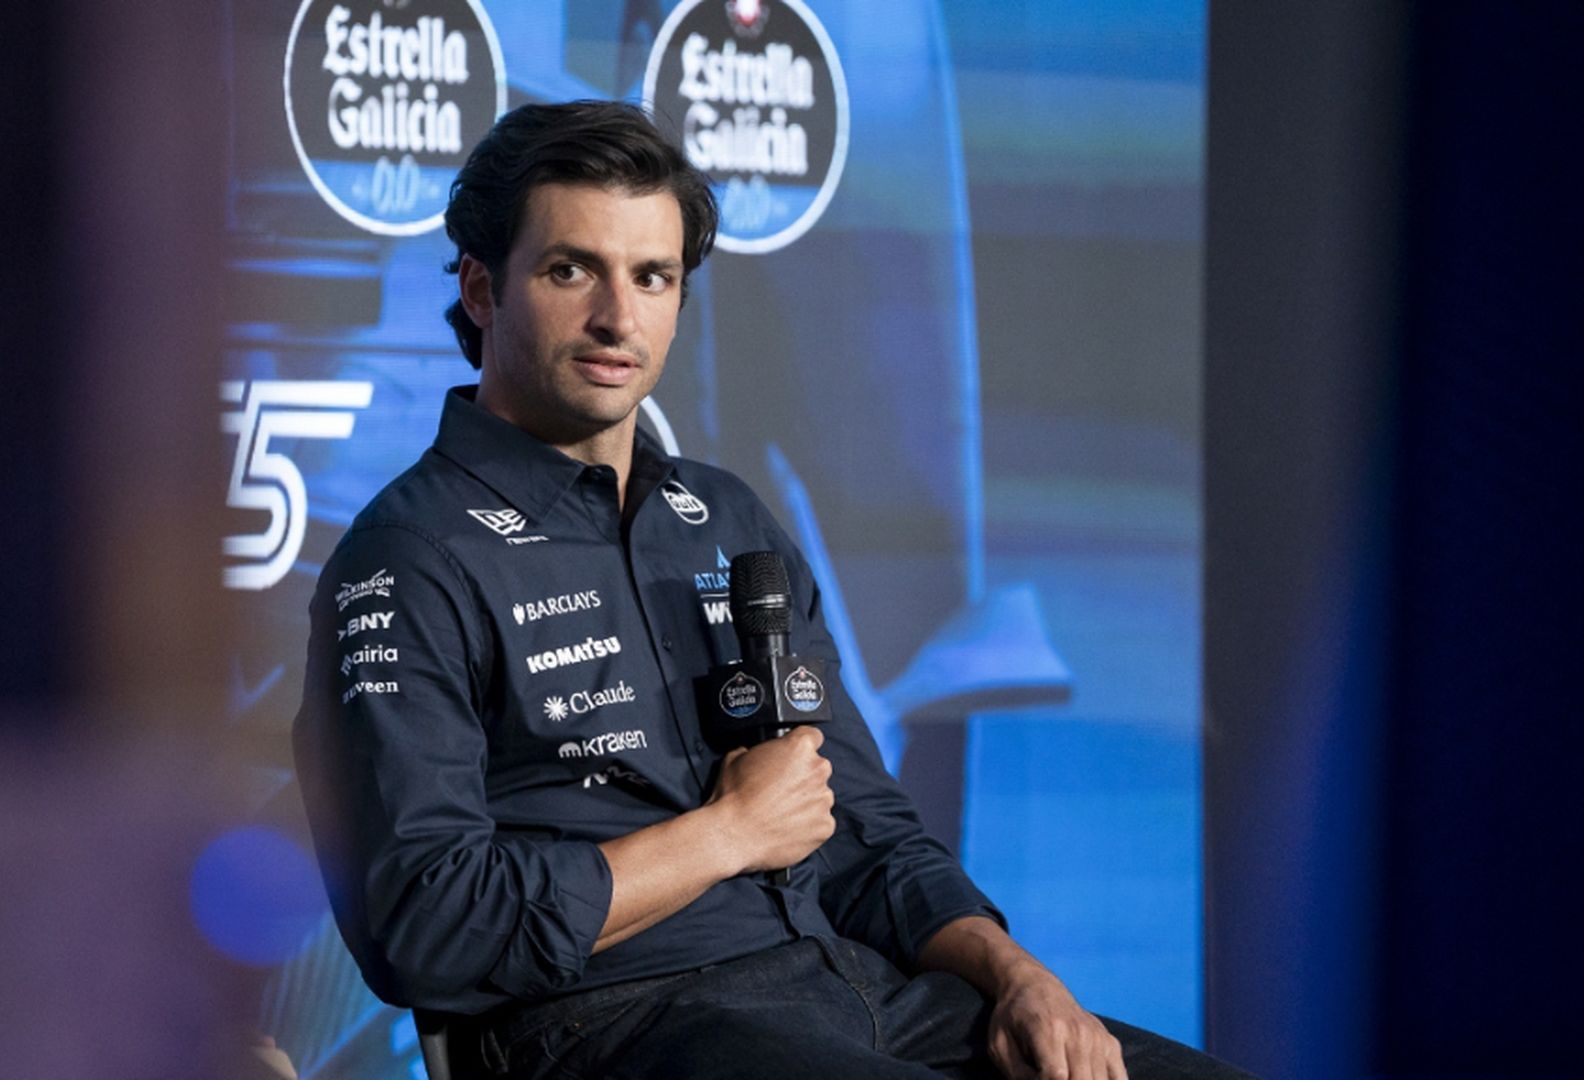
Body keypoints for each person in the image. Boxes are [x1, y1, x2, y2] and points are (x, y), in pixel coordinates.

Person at [294, 100, 1250, 1079]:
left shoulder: (725, 517)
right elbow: (429, 926)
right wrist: (726, 834)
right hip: (618, 1024)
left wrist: (1021, 980)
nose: (619, 317)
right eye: (571, 270)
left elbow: (867, 839)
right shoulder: (408, 557)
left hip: (856, 994)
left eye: (653, 276)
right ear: (481, 289)